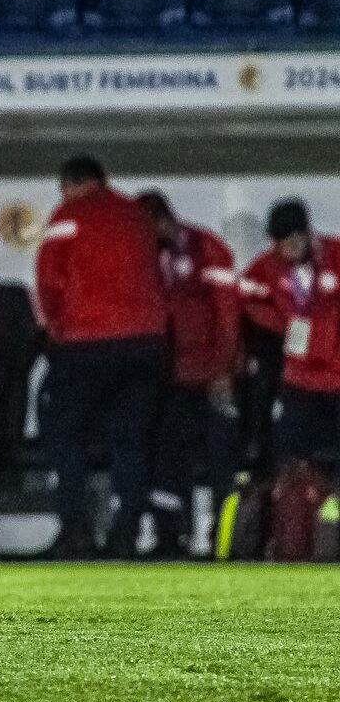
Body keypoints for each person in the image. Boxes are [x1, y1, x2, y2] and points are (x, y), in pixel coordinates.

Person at [33, 155, 168, 558]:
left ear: (70, 184)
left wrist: (58, 331)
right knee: (128, 442)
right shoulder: (137, 216)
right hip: (146, 344)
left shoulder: (68, 215)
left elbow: (49, 281)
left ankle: (76, 531)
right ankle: (125, 535)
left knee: (62, 433)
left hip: (88, 342)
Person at [136, 191, 240, 557]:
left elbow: (228, 316)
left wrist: (223, 370)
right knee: (167, 461)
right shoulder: (145, 256)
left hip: (210, 377)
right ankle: (168, 539)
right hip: (168, 378)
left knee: (220, 462)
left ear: (163, 219)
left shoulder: (207, 249)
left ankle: (221, 540)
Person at [239, 203, 340, 472]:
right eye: (282, 244)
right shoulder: (267, 267)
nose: (289, 249)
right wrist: (280, 323)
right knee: (290, 458)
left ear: (308, 233)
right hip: (298, 380)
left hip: (336, 378)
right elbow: (246, 296)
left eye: (295, 241)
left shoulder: (335, 256)